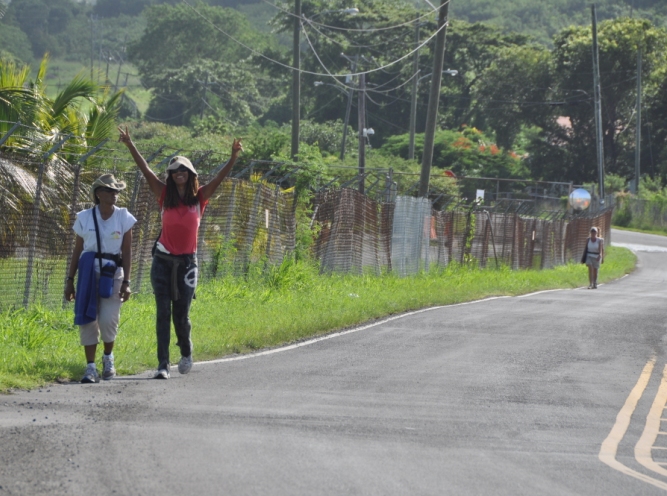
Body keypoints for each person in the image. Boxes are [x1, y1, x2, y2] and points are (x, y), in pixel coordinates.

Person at [118, 126, 243, 379]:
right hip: (162, 261)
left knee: (181, 315)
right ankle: (163, 364)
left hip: (187, 265)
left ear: (191, 173)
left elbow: (219, 179)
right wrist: (130, 144)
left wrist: (232, 158)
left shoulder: (200, 197)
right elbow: (146, 171)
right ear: (170, 176)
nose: (179, 174)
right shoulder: (163, 195)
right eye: (174, 171)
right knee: (162, 312)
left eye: (183, 170)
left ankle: (185, 350)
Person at [64, 174, 136, 383]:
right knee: (88, 320)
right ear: (98, 194)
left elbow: (128, 251)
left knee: (108, 319)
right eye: (109, 190)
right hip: (88, 273)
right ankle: (90, 367)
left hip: (112, 273)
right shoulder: (84, 217)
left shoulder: (124, 217)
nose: (114, 194)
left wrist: (127, 282)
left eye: (116, 191)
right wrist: (70, 280)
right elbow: (77, 250)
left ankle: (108, 357)